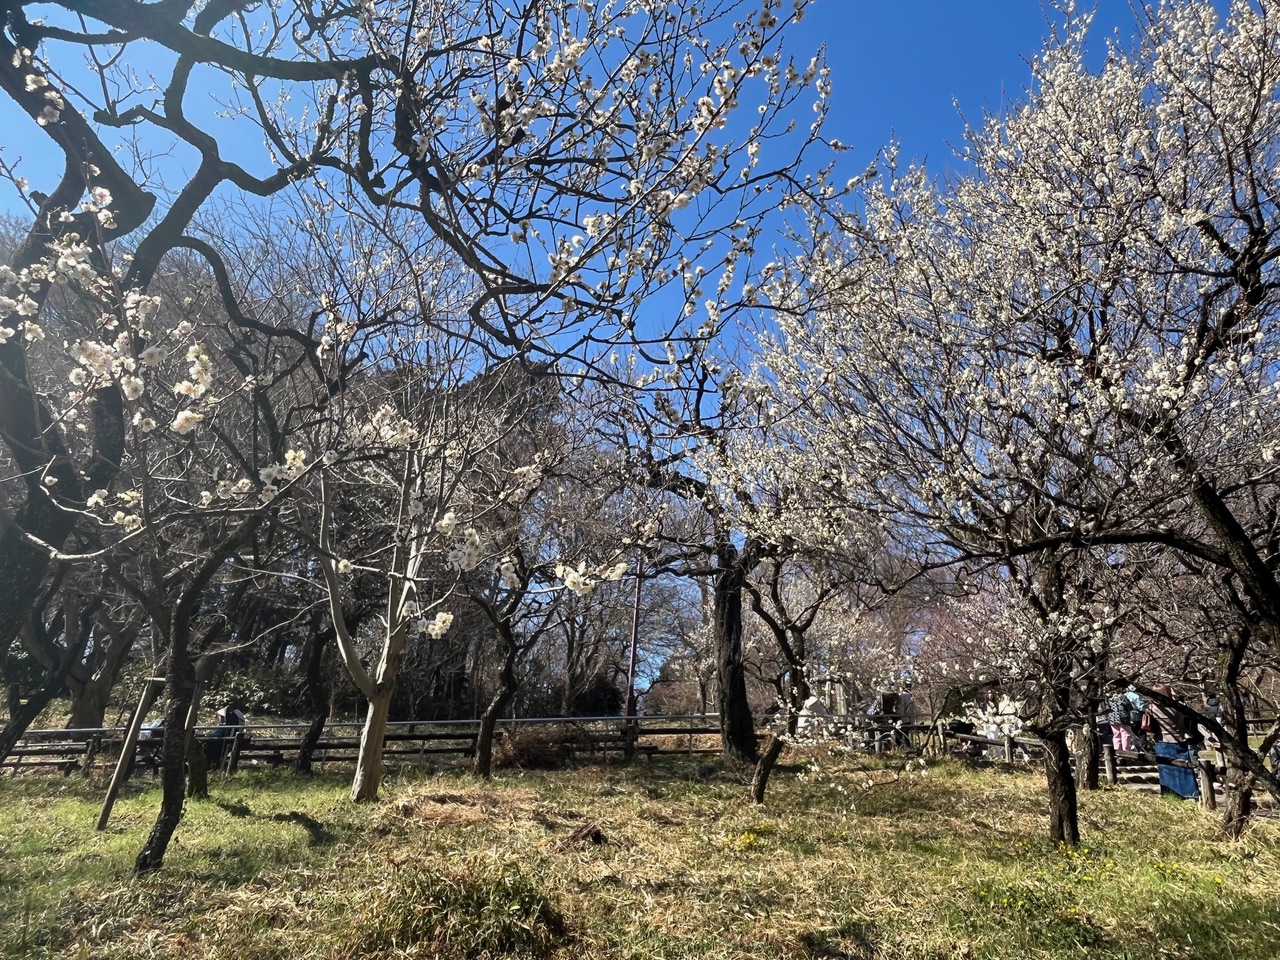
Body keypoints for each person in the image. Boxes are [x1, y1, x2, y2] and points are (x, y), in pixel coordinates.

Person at [1148, 685, 1199, 800]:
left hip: (1162, 740)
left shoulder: (1152, 708)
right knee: (1184, 768)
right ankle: (1190, 793)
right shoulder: (1177, 707)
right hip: (1179, 739)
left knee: (1166, 770)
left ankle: (1170, 794)